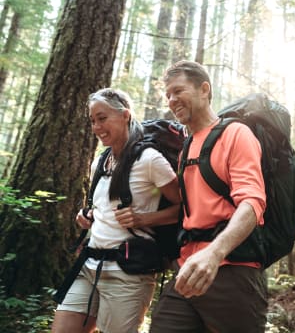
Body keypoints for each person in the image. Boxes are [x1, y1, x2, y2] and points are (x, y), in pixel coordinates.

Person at [149, 60, 268, 333]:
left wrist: (214, 253)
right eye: (168, 95)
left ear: (204, 89)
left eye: (178, 91)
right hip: (188, 267)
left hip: (233, 269)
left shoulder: (236, 133)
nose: (171, 100)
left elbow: (252, 202)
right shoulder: (186, 148)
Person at [51, 88, 181, 333]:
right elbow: (103, 208)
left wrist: (145, 218)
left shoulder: (150, 159)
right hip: (89, 265)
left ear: (125, 115)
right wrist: (87, 215)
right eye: (92, 121)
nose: (96, 127)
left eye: (102, 118)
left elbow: (184, 208)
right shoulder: (100, 162)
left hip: (128, 273)